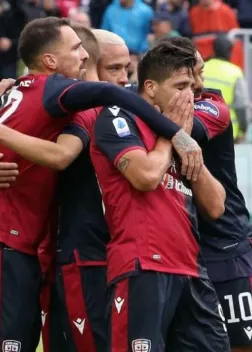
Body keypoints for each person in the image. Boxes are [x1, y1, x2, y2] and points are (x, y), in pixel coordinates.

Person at [0, 17, 200, 352]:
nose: (126, 80)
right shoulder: (79, 103)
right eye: (115, 68)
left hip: (50, 251)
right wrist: (176, 135)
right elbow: (64, 154)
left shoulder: (23, 94)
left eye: (128, 69)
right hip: (73, 256)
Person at [91, 40, 230, 351]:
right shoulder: (119, 116)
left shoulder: (183, 130)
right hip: (143, 265)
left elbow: (215, 205)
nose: (191, 95)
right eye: (181, 85)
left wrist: (185, 142)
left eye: (193, 86)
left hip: (191, 269)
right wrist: (171, 134)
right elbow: (145, 176)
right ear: (151, 87)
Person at [187, 42, 252, 351]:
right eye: (187, 77)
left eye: (200, 73)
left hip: (228, 248)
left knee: (242, 345)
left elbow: (182, 127)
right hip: (181, 250)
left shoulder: (212, 106)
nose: (198, 84)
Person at [204, 34, 249, 143]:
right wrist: (244, 128)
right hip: (228, 130)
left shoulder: (202, 67)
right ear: (230, 50)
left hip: (203, 127)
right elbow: (241, 105)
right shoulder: (235, 72)